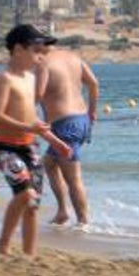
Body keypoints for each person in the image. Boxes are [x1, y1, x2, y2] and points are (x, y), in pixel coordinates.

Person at [0, 24, 72, 256]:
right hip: (6, 147)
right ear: (18, 50)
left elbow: (32, 118)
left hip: (30, 146)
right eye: (36, 50)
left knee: (33, 205)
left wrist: (55, 141)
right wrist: (29, 126)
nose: (40, 56)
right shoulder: (6, 79)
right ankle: (3, 245)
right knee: (24, 194)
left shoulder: (30, 78)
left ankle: (29, 254)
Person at [36, 39, 100, 226]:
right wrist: (92, 111)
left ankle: (83, 222)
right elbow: (94, 84)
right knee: (49, 164)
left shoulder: (43, 63)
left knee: (73, 178)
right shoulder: (73, 58)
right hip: (81, 120)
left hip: (66, 125)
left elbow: (38, 95)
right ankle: (63, 211)